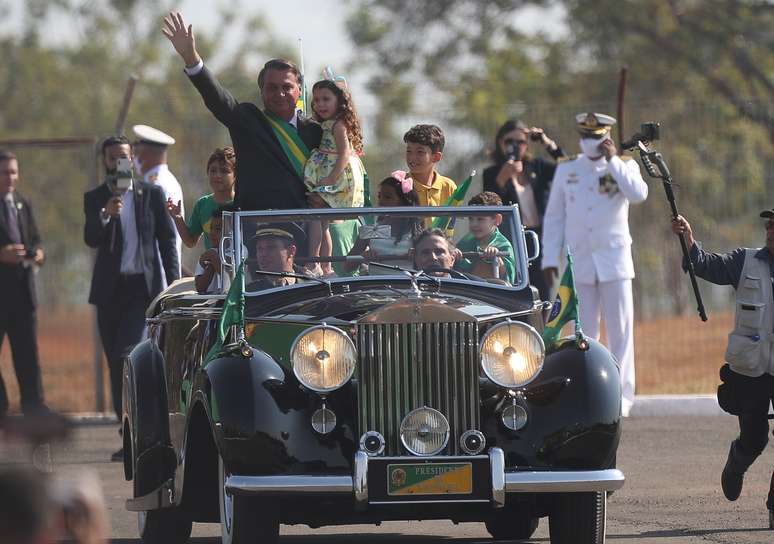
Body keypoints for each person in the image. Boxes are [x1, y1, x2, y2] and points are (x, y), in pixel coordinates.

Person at [671, 212, 774, 528]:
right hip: (751, 368)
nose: (770, 231)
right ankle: (737, 461)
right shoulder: (746, 261)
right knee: (756, 438)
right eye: (769, 226)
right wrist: (689, 239)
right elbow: (706, 264)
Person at [541, 112, 648, 417]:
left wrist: (615, 161)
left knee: (621, 330)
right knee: (583, 332)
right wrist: (550, 257)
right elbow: (555, 216)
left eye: (596, 136)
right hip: (580, 261)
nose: (590, 142)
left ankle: (622, 396)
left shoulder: (624, 165)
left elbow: (639, 194)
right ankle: (587, 394)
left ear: (607, 137)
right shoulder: (568, 169)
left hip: (614, 259)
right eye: (585, 137)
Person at [163, 12, 322, 211]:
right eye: (272, 87)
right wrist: (191, 59)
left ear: (299, 91)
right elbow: (219, 99)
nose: (280, 94)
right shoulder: (249, 121)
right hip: (255, 230)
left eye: (287, 87)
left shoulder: (316, 132)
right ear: (261, 91)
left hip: (303, 232)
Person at [83, 135, 179, 461]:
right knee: (115, 362)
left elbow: (167, 239)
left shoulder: (150, 194)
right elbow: (91, 238)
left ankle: (138, 433)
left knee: (128, 355)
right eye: (112, 158)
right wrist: (106, 214)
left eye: (123, 156)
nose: (118, 162)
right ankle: (125, 432)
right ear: (105, 162)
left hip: (142, 289)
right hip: (110, 294)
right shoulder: (96, 197)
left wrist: (174, 283)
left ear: (133, 157)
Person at [482, 119, 565, 299]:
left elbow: (568, 168)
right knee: (519, 293)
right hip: (512, 241)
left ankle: (544, 327)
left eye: (520, 141)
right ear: (500, 143)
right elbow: (486, 208)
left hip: (541, 240)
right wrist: (501, 180)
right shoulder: (492, 173)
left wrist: (547, 143)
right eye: (509, 141)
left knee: (547, 294)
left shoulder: (538, 167)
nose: (515, 146)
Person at [0, 150, 47, 418]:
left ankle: (33, 405)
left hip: (23, 293)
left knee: (27, 354)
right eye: (5, 172)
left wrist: (38, 254)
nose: (10, 177)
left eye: (14, 171)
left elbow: (36, 239)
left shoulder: (22, 204)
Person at [304, 77, 365, 276]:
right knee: (323, 223)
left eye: (326, 99)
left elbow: (344, 153)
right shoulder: (329, 123)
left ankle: (314, 262)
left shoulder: (338, 125)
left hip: (336, 177)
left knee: (315, 215)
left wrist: (331, 178)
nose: (320, 104)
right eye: (317, 100)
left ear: (339, 101)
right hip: (332, 174)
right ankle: (326, 266)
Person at [132, 124, 184, 276]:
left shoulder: (158, 185)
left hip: (158, 272)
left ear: (147, 153)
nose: (135, 158)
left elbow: (163, 234)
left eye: (137, 153)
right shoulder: (162, 181)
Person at [346, 171, 422, 274]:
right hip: (377, 287)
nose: (381, 202)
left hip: (408, 288)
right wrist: (363, 257)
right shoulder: (371, 230)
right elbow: (346, 267)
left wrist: (419, 257)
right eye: (379, 196)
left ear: (404, 202)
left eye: (387, 197)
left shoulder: (417, 233)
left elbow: (427, 268)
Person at [168, 146, 235, 250]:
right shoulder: (202, 204)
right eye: (213, 170)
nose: (217, 175)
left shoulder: (242, 203)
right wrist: (178, 219)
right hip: (212, 264)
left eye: (224, 171)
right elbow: (191, 242)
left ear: (235, 175)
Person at [455, 191, 515, 283]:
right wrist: (453, 255)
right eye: (471, 219)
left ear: (497, 219)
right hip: (464, 292)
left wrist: (497, 259)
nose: (474, 224)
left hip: (490, 294)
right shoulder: (464, 242)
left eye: (480, 219)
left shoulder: (503, 245)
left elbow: (508, 279)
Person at [404, 124, 456, 225]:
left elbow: (451, 225)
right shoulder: (400, 185)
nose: (412, 157)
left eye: (420, 152)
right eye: (409, 151)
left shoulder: (449, 187)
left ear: (436, 157)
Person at [248, 223, 307, 290]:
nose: (263, 254)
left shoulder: (311, 288)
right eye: (259, 248)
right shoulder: (250, 293)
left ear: (291, 251)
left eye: (271, 247)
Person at [194, 206, 226, 294]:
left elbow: (232, 281)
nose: (212, 233)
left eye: (218, 229)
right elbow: (200, 288)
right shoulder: (209, 254)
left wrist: (214, 258)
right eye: (211, 228)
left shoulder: (241, 251)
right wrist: (211, 266)